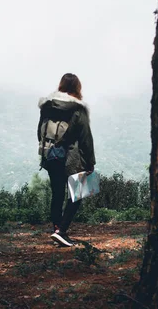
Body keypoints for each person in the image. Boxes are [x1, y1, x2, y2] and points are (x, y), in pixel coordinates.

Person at [37, 73, 95, 247]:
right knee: (79, 192)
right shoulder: (78, 109)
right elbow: (85, 137)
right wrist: (90, 162)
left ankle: (56, 228)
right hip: (72, 156)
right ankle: (61, 231)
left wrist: (48, 150)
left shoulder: (47, 106)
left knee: (57, 193)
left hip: (50, 154)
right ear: (78, 88)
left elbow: (39, 130)